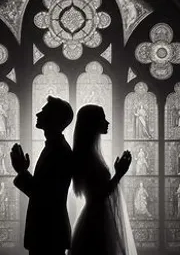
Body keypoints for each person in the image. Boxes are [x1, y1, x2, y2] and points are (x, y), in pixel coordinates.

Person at [69, 105, 136, 255]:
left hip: (97, 218)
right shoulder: (87, 156)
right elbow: (99, 195)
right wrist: (119, 174)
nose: (107, 122)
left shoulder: (89, 153)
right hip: (96, 223)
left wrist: (118, 173)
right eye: (102, 119)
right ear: (92, 123)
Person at [10, 96, 74, 255]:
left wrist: (22, 172)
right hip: (49, 232)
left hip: (49, 232)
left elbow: (44, 196)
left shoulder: (59, 151)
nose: (38, 114)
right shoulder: (55, 147)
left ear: (54, 119)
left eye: (44, 112)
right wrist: (23, 171)